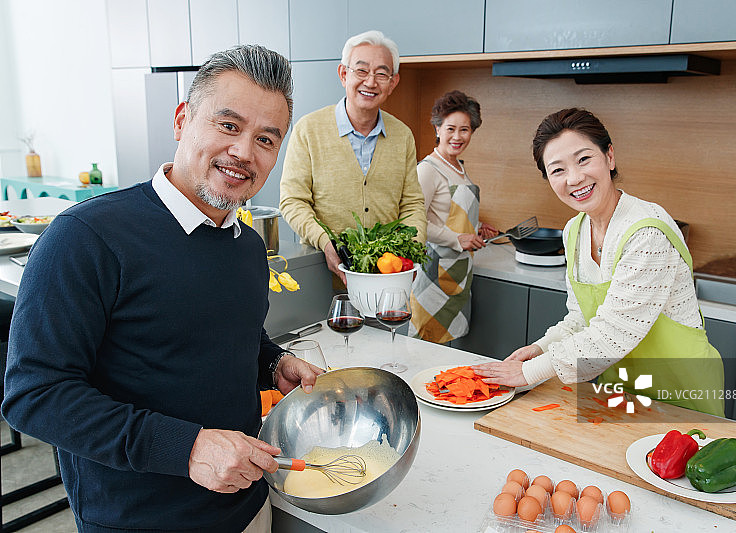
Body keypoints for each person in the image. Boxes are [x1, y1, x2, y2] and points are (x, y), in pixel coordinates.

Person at [2, 45, 323, 532]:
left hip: (251, 506)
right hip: (138, 521)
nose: (244, 152)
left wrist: (273, 362)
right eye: (228, 125)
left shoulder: (246, 245)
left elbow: (222, 337)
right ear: (182, 119)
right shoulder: (86, 237)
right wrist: (187, 448)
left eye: (265, 138)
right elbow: (35, 395)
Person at [473, 108, 724, 416]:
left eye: (583, 159)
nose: (574, 178)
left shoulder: (646, 232)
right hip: (619, 391)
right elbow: (581, 319)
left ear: (609, 157)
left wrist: (529, 373)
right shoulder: (575, 231)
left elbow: (614, 332)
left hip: (679, 392)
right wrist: (540, 348)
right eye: (558, 170)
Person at [279, 30, 426, 284]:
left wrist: (410, 251)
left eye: (381, 74)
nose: (371, 82)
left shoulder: (403, 135)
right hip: (321, 275)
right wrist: (326, 242)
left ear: (393, 82)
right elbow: (293, 200)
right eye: (361, 70)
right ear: (343, 74)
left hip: (386, 278)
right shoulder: (309, 129)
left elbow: (412, 204)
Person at [409, 90, 498, 343]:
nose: (457, 137)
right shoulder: (428, 170)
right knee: (425, 347)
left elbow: (447, 214)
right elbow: (415, 224)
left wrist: (475, 227)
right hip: (432, 274)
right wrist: (457, 238)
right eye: (451, 129)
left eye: (464, 130)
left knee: (447, 351)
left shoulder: (458, 167)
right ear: (437, 129)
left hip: (458, 273)